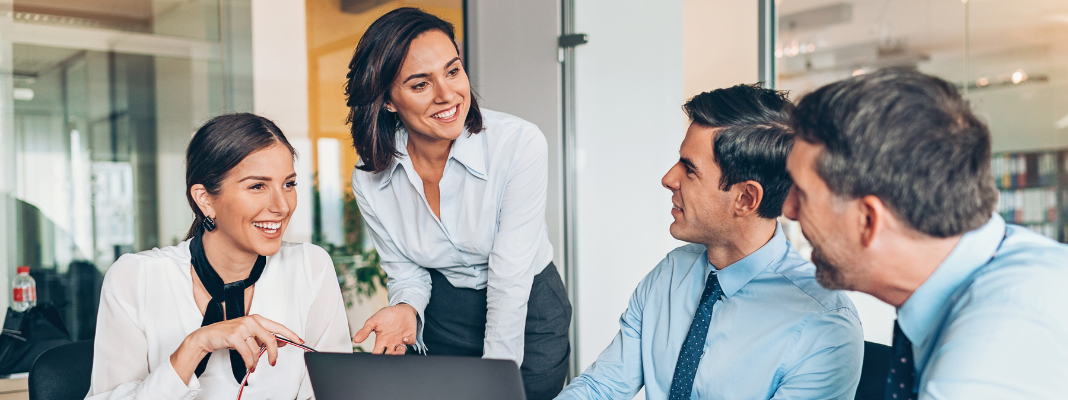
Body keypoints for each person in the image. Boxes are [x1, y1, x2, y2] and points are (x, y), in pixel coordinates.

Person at [557, 84, 864, 400]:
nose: (668, 179)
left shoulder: (823, 325)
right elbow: (600, 387)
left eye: (689, 169)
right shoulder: (670, 275)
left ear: (745, 199)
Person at [783, 68, 1068, 399]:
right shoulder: (1018, 267)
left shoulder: (986, 362)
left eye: (801, 194)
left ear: (867, 220)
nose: (787, 209)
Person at [345, 7, 571, 400]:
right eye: (420, 84)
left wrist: (495, 380)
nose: (448, 95)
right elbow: (407, 273)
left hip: (528, 305)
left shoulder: (518, 144)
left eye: (453, 71)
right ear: (387, 101)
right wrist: (406, 308)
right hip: (444, 308)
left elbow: (510, 274)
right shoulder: (371, 179)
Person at [86, 114, 352, 399]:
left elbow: (333, 392)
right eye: (257, 186)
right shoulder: (135, 278)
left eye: (288, 184)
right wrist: (195, 346)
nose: (282, 206)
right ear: (205, 199)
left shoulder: (310, 267)